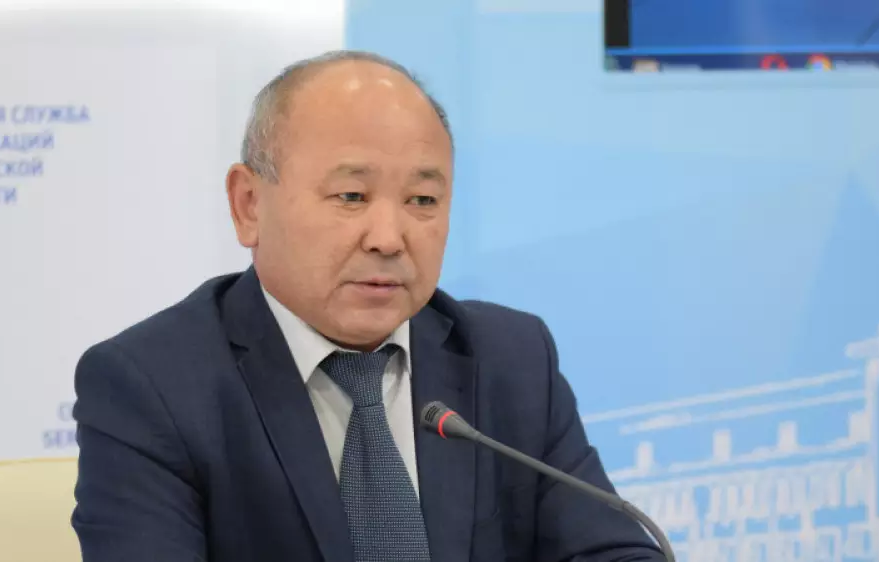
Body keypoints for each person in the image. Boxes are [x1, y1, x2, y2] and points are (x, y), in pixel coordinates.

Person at [70, 50, 666, 562]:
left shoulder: (511, 360)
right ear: (248, 204)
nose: (389, 237)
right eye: (351, 195)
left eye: (422, 200)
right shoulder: (152, 387)